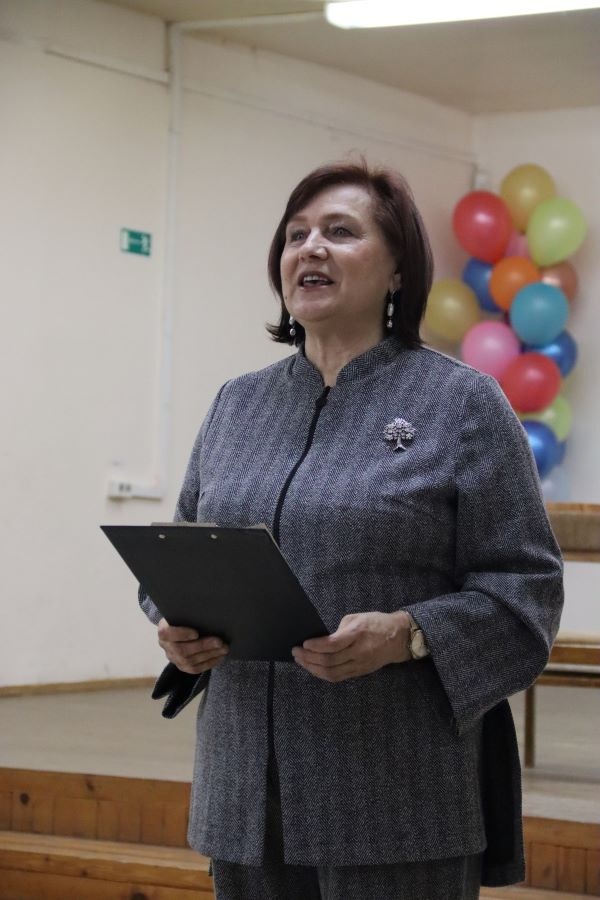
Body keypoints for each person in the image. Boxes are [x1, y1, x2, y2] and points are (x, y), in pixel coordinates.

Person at [139, 160, 564, 900]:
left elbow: (525, 593)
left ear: (397, 268)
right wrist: (178, 627)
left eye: (340, 232)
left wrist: (407, 634)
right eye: (296, 235)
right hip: (244, 797)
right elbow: (180, 552)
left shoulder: (463, 404)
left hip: (394, 798)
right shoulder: (237, 405)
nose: (311, 248)